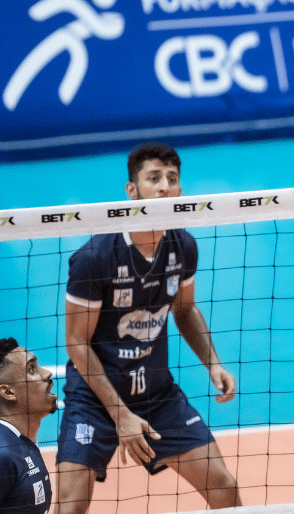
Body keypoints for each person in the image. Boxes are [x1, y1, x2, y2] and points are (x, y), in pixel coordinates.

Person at [56, 143, 241, 514]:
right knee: (70, 506)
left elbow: (185, 310)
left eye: (172, 179)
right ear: (132, 190)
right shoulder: (95, 258)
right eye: (153, 178)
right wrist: (121, 414)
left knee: (223, 486)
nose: (164, 188)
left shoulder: (182, 246)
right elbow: (76, 342)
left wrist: (213, 363)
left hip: (157, 396)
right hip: (95, 400)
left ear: (180, 190)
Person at [0, 338, 58, 514]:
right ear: (8, 392)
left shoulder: (21, 444)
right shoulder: (4, 455)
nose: (47, 373)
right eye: (32, 369)